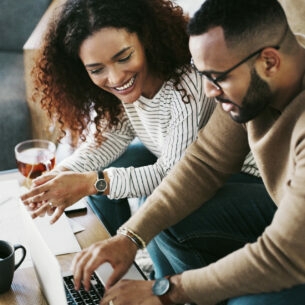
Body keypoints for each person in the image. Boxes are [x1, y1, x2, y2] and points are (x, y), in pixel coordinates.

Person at [69, 0, 305, 304]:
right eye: (203, 75)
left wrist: (166, 290)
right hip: (285, 211)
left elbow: (284, 254)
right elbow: (204, 163)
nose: (208, 91)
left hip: (295, 251)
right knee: (165, 217)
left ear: (269, 62)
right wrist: (129, 237)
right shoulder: (262, 74)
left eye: (217, 77)